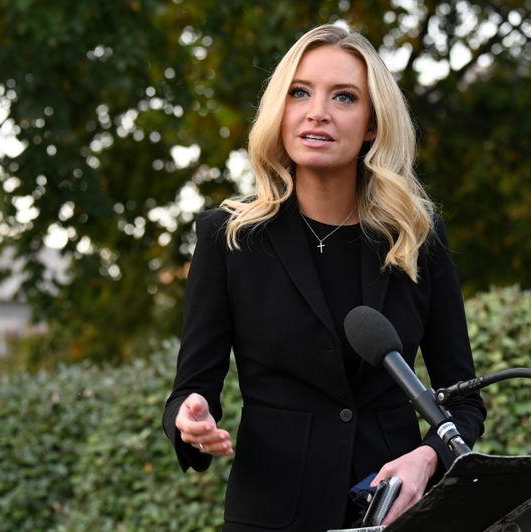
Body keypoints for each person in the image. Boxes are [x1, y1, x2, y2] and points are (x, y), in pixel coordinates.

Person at [162, 23, 486, 531]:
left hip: (392, 515)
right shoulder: (228, 237)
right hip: (270, 516)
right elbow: (191, 390)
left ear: (373, 124)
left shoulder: (418, 237)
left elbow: (462, 400)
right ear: (281, 111)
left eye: (344, 97)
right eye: (300, 92)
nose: (318, 112)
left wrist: (427, 458)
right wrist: (190, 417)